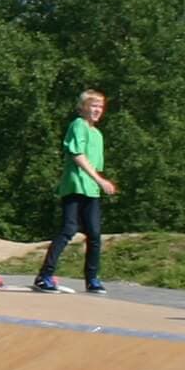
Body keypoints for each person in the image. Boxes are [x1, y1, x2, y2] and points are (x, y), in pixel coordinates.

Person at [32, 90, 116, 294]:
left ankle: (92, 279)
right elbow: (77, 155)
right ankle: (44, 276)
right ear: (82, 108)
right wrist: (99, 180)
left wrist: (98, 182)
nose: (97, 110)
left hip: (91, 190)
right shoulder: (78, 125)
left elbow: (96, 164)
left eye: (100, 106)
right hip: (75, 186)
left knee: (94, 234)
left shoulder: (97, 134)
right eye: (93, 105)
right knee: (69, 229)